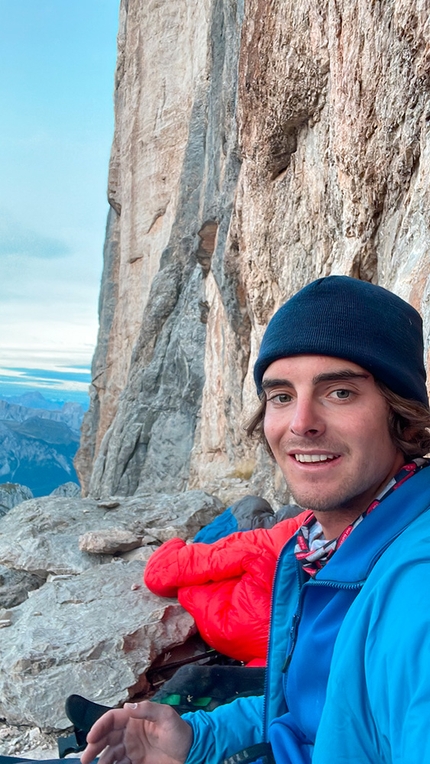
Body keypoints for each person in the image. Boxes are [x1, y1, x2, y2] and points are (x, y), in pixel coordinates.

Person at [81, 275, 430, 764]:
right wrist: (195, 739)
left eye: (341, 392)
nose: (300, 422)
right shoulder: (323, 548)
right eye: (281, 396)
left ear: (403, 415)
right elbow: (316, 716)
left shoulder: (415, 593)